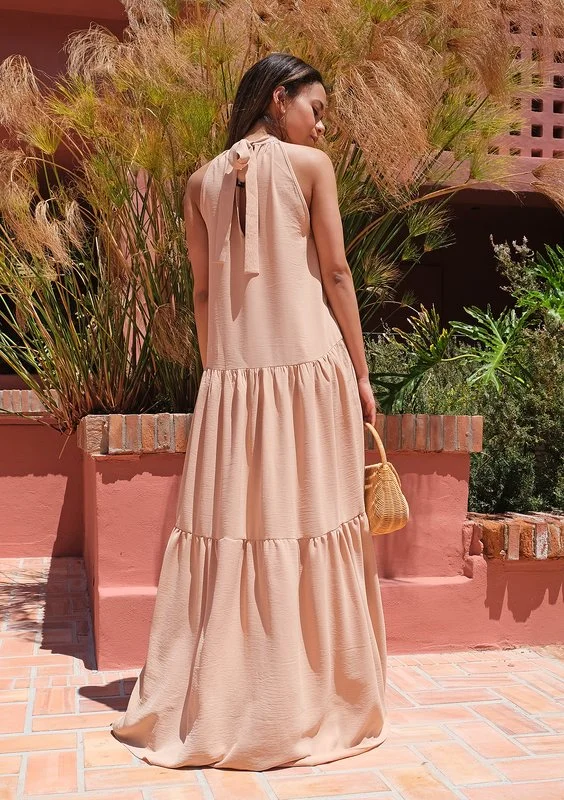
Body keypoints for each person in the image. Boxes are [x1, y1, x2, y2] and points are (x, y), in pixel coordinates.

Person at [110, 51, 387, 772]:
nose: (322, 126)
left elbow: (204, 295)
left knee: (236, 527)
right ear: (277, 98)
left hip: (230, 383)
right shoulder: (310, 168)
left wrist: (222, 377)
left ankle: (232, 697)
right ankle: (309, 696)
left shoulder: (198, 182)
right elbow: (336, 273)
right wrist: (362, 373)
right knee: (311, 517)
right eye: (316, 109)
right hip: (310, 371)